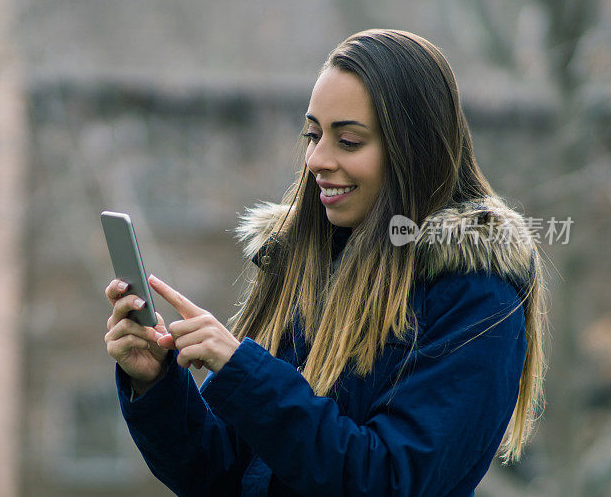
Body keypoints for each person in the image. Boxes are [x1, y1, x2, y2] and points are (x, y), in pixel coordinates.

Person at [103, 29, 546, 496]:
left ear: (414, 150)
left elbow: (391, 481)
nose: (317, 158)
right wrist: (156, 386)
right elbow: (227, 478)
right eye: (312, 135)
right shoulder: (302, 266)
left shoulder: (477, 297)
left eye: (349, 141)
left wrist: (245, 372)